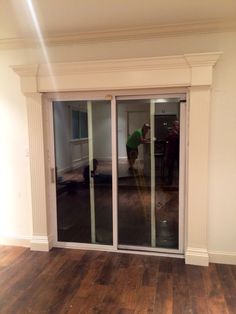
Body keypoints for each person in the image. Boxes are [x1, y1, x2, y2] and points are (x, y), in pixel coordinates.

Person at [165, 120, 179, 185]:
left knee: (180, 167)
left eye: (177, 125)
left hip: (179, 153)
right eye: (175, 125)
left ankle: (180, 181)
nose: (176, 126)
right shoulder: (171, 132)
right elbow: (166, 139)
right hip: (171, 152)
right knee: (170, 167)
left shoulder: (181, 132)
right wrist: (171, 134)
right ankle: (169, 181)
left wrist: (177, 134)